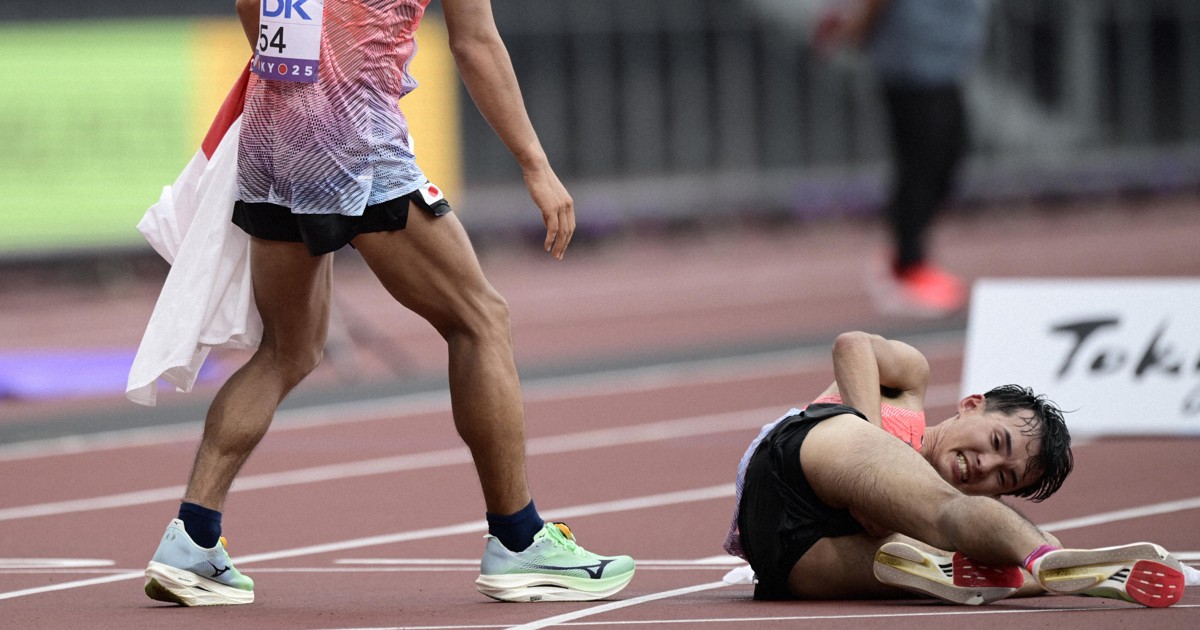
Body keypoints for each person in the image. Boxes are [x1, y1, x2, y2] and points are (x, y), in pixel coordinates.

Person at [142, 0, 634, 606]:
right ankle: (519, 539)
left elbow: (252, 4)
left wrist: (301, 82)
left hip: (271, 139)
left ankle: (192, 539)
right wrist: (536, 165)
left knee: (286, 350)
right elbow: (475, 42)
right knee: (480, 319)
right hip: (357, 144)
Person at [724, 331, 1185, 607]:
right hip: (805, 459)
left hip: (788, 559)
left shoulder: (942, 515)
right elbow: (852, 344)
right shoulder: (908, 386)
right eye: (996, 441)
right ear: (971, 405)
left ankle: (1023, 566)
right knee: (952, 515)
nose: (986, 465)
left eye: (1004, 478)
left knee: (907, 559)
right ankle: (1043, 559)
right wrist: (871, 431)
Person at [815, 0, 986, 315]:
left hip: (947, 60)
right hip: (912, 63)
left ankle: (907, 259)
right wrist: (856, 28)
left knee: (947, 160)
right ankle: (907, 263)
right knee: (920, 164)